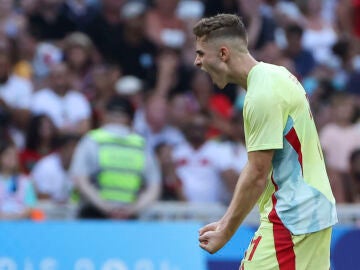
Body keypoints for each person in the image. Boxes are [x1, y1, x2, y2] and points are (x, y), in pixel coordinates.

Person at [193, 14, 337, 269]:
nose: (197, 62)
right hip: (312, 211)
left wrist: (226, 230)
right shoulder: (276, 74)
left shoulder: (262, 95)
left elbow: (258, 173)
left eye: (202, 53)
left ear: (223, 53)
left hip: (292, 220)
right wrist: (225, 220)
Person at [70, 95, 161, 219]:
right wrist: (131, 210)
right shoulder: (141, 145)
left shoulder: (92, 140)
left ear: (105, 115)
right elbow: (154, 187)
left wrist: (107, 208)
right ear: (131, 119)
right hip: (128, 219)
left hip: (95, 218)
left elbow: (79, 179)